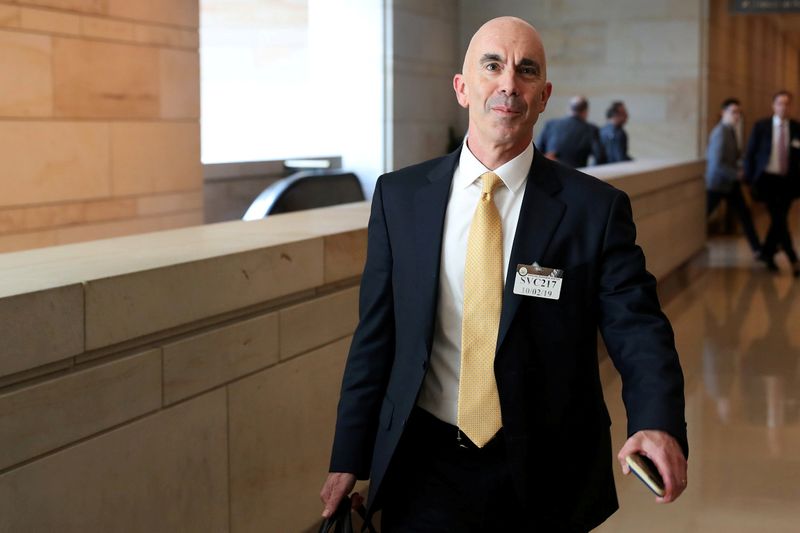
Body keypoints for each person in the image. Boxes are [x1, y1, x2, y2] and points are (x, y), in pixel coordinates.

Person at [320, 16, 688, 532]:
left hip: (547, 472)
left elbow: (639, 328)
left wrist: (656, 422)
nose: (508, 83)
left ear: (544, 96)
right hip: (423, 466)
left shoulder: (592, 210)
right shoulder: (400, 199)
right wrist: (348, 455)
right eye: (492, 65)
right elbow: (375, 338)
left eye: (527, 71)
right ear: (462, 87)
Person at [744, 90, 800, 276]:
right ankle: (793, 258)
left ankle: (767, 253)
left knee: (779, 219)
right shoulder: (762, 126)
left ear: (790, 106)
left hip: (788, 182)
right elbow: (750, 154)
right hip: (767, 180)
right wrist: (750, 179)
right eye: (780, 103)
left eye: (787, 103)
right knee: (779, 218)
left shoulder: (796, 128)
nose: (783, 107)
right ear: (773, 105)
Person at [706, 98, 761, 255]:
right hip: (717, 184)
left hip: (730, 184)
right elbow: (716, 164)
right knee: (703, 214)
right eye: (734, 112)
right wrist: (736, 174)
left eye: (739, 113)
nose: (737, 116)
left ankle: (757, 249)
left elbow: (734, 156)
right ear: (723, 112)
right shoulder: (720, 132)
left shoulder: (731, 130)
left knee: (745, 215)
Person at [536, 95, 606, 167]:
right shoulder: (591, 129)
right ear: (586, 111)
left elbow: (537, 152)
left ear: (569, 109)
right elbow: (600, 158)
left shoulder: (550, 125)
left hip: (550, 173)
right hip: (577, 175)